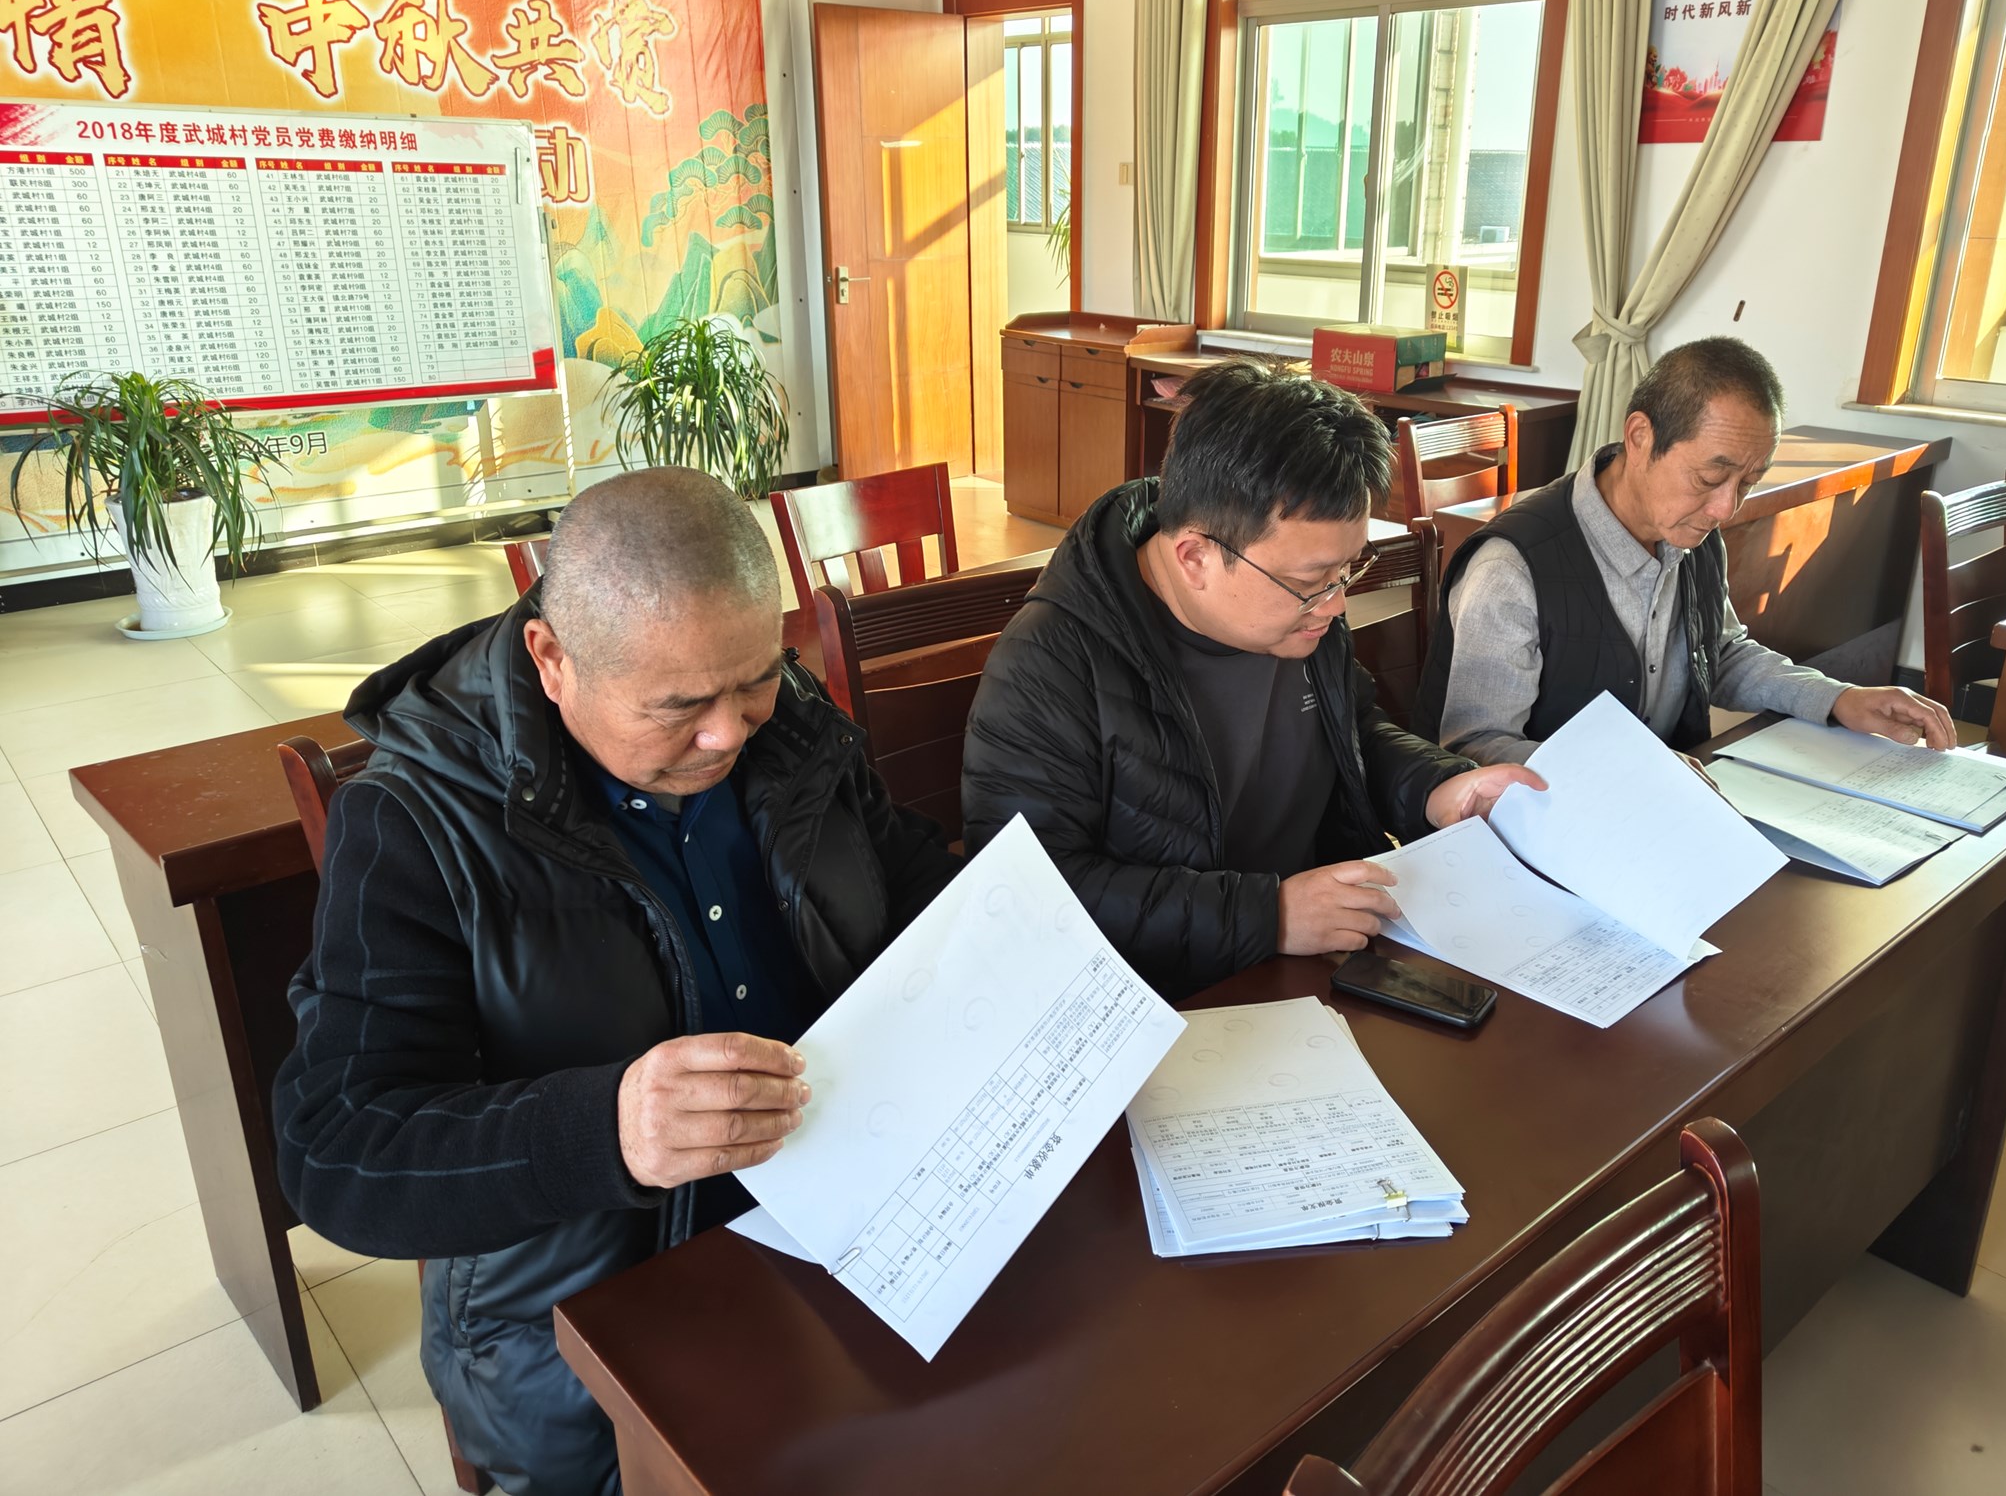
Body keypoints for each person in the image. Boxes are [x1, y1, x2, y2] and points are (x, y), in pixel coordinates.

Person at [272, 468, 958, 1496]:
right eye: (680, 707)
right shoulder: (416, 822)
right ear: (552, 660)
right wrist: (608, 1131)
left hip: (857, 1220)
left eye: (755, 679)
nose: (728, 733)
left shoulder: (788, 722)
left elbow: (902, 874)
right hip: (594, 1322)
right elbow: (338, 1149)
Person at [961, 358, 1542, 1001]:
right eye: (1310, 582)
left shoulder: (1296, 609)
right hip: (1171, 998)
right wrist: (1269, 915)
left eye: (1345, 571)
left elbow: (1350, 731)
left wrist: (1438, 788)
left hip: (1321, 962)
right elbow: (1029, 893)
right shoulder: (1052, 664)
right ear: (1195, 558)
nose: (1336, 604)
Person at [1413, 337, 1955, 765]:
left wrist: (1837, 698)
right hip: (1547, 833)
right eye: (1710, 477)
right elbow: (1475, 746)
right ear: (1640, 438)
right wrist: (1635, 773)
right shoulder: (1512, 568)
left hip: (1665, 809)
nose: (1725, 508)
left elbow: (1718, 653)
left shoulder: (1691, 533)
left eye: (1747, 483)